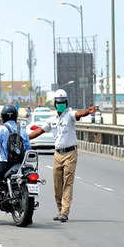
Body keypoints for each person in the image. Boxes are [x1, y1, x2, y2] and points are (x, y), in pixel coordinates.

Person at [29, 89, 98, 223]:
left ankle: (65, 212)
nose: (61, 104)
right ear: (55, 104)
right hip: (57, 154)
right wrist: (25, 138)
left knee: (67, 182)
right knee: (57, 184)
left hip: (70, 153)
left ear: (66, 103)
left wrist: (88, 111)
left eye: (63, 102)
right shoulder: (52, 120)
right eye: (58, 102)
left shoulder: (70, 115)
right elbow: (39, 131)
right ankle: (60, 210)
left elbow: (78, 114)